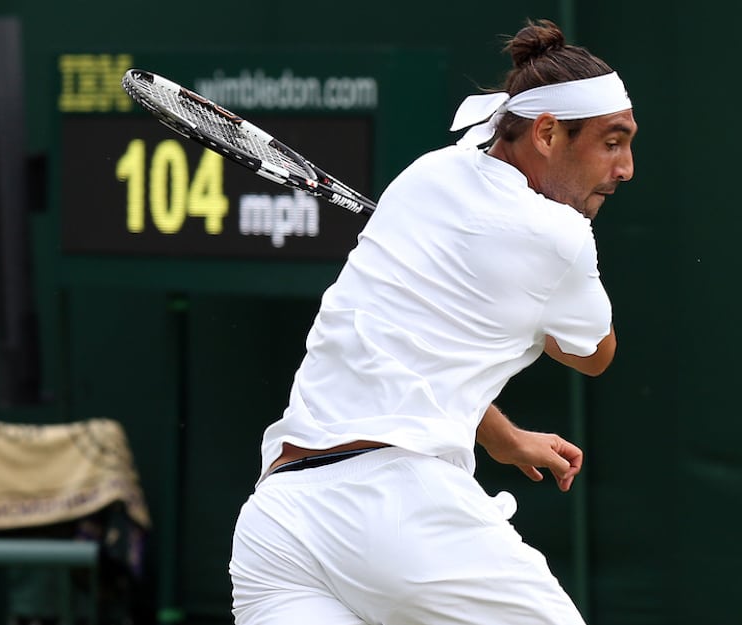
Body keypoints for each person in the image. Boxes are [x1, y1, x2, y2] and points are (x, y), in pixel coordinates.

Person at [229, 18, 636, 625]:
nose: (626, 167)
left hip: (277, 527)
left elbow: (411, 363)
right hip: (396, 517)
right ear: (547, 133)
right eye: (611, 142)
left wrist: (502, 435)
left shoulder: (428, 173)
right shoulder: (561, 237)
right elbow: (593, 353)